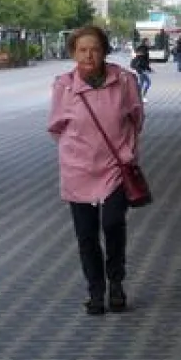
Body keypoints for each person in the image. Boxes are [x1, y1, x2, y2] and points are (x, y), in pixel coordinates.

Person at [48, 25, 145, 315]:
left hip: (115, 166)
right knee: (86, 234)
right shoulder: (63, 85)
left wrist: (127, 152)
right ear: (73, 53)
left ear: (104, 51)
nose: (89, 55)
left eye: (94, 49)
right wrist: (75, 149)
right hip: (78, 169)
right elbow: (56, 126)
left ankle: (116, 282)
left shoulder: (124, 80)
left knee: (113, 224)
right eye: (82, 50)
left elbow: (136, 118)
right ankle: (96, 291)